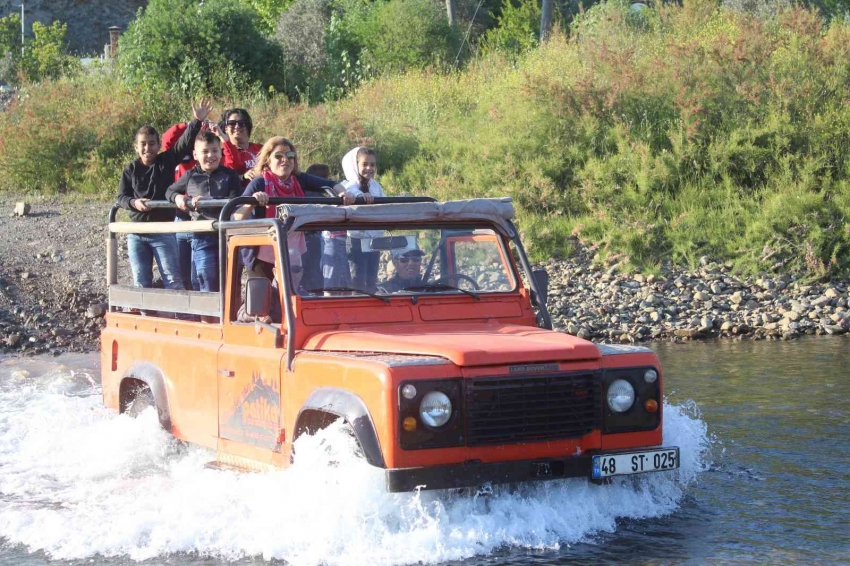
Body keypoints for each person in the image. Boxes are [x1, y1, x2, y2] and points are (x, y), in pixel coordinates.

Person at [115, 100, 209, 291]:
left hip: (163, 231)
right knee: (141, 282)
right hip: (137, 232)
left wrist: (196, 121)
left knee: (172, 279)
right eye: (143, 144)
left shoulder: (166, 161)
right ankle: (144, 318)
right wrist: (134, 202)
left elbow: (183, 144)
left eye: (151, 144)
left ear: (159, 145)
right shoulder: (130, 170)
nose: (147, 148)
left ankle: (179, 317)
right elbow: (121, 197)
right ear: (136, 147)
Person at [232, 137, 348, 280]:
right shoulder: (259, 183)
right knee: (261, 297)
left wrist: (344, 193)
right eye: (279, 156)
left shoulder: (299, 179)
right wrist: (252, 202)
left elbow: (331, 184)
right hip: (262, 251)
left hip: (293, 249)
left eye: (290, 156)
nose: (285, 160)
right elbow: (236, 217)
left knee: (291, 296)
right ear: (268, 159)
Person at [165, 130, 243, 293]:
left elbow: (236, 200)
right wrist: (180, 199)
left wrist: (209, 202)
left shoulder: (230, 175)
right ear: (195, 154)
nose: (210, 156)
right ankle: (208, 317)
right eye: (205, 151)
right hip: (201, 237)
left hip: (227, 236)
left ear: (221, 152)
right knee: (205, 278)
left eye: (214, 151)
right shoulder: (190, 175)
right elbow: (170, 191)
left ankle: (230, 316)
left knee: (231, 280)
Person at [342, 147, 385, 292]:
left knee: (372, 278)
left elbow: (386, 202)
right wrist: (362, 196)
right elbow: (352, 193)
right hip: (357, 240)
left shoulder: (376, 186)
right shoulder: (349, 184)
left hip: (374, 240)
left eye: (372, 164)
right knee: (358, 279)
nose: (369, 168)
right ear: (355, 165)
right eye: (365, 164)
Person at [236, 249, 304, 324]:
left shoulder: (308, 296)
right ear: (275, 272)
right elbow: (241, 313)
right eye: (285, 270)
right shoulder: (265, 293)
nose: (291, 274)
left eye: (296, 270)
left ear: (302, 272)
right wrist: (259, 317)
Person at [219, 108, 263, 187]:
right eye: (232, 123)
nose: (237, 126)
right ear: (226, 128)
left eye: (241, 123)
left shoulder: (261, 149)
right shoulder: (221, 155)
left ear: (248, 126)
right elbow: (228, 175)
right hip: (240, 196)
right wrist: (243, 177)